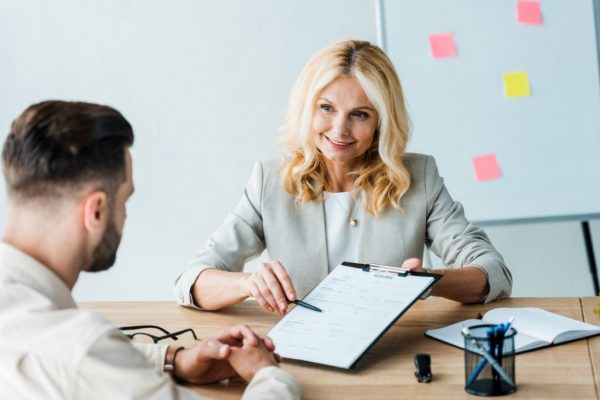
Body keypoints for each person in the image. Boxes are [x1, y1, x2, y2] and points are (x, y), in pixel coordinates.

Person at [175, 39, 512, 315]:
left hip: (389, 358)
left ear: (381, 122)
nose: (339, 129)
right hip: (297, 356)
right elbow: (191, 280)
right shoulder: (270, 180)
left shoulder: (419, 177)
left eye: (360, 114)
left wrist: (428, 281)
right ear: (307, 107)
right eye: (327, 108)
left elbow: (494, 272)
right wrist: (246, 283)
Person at [0, 101, 301, 399]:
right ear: (96, 211)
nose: (125, 215)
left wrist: (175, 360)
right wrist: (268, 376)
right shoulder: (81, 351)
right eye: (124, 200)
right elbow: (83, 360)